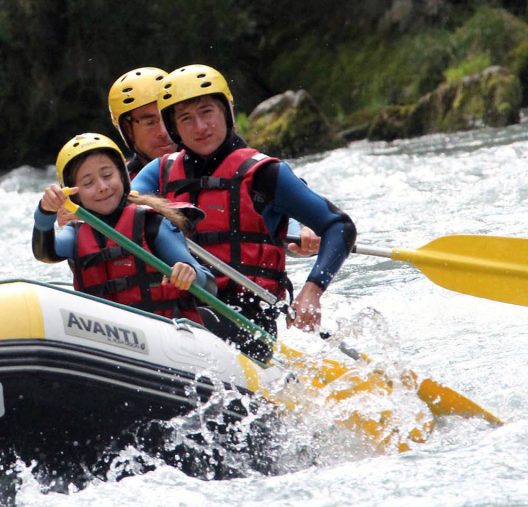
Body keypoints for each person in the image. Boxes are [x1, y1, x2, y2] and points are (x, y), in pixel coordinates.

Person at [132, 64, 356, 359]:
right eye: (186, 118)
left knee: (199, 322)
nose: (200, 127)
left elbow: (339, 227)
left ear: (226, 112)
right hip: (182, 308)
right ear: (174, 128)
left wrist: (312, 291)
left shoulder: (265, 173)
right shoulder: (160, 172)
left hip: (248, 319)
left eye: (207, 112)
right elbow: (121, 204)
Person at [32, 132, 217, 324]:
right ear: (74, 195)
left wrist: (190, 273)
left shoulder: (152, 224)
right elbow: (45, 252)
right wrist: (45, 213)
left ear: (122, 177)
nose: (102, 186)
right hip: (106, 335)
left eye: (107, 175)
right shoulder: (75, 235)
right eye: (88, 183)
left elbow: (209, 285)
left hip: (162, 331)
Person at [108, 67, 178, 178]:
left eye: (168, 118)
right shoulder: (119, 187)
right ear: (127, 130)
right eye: (150, 123)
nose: (164, 132)